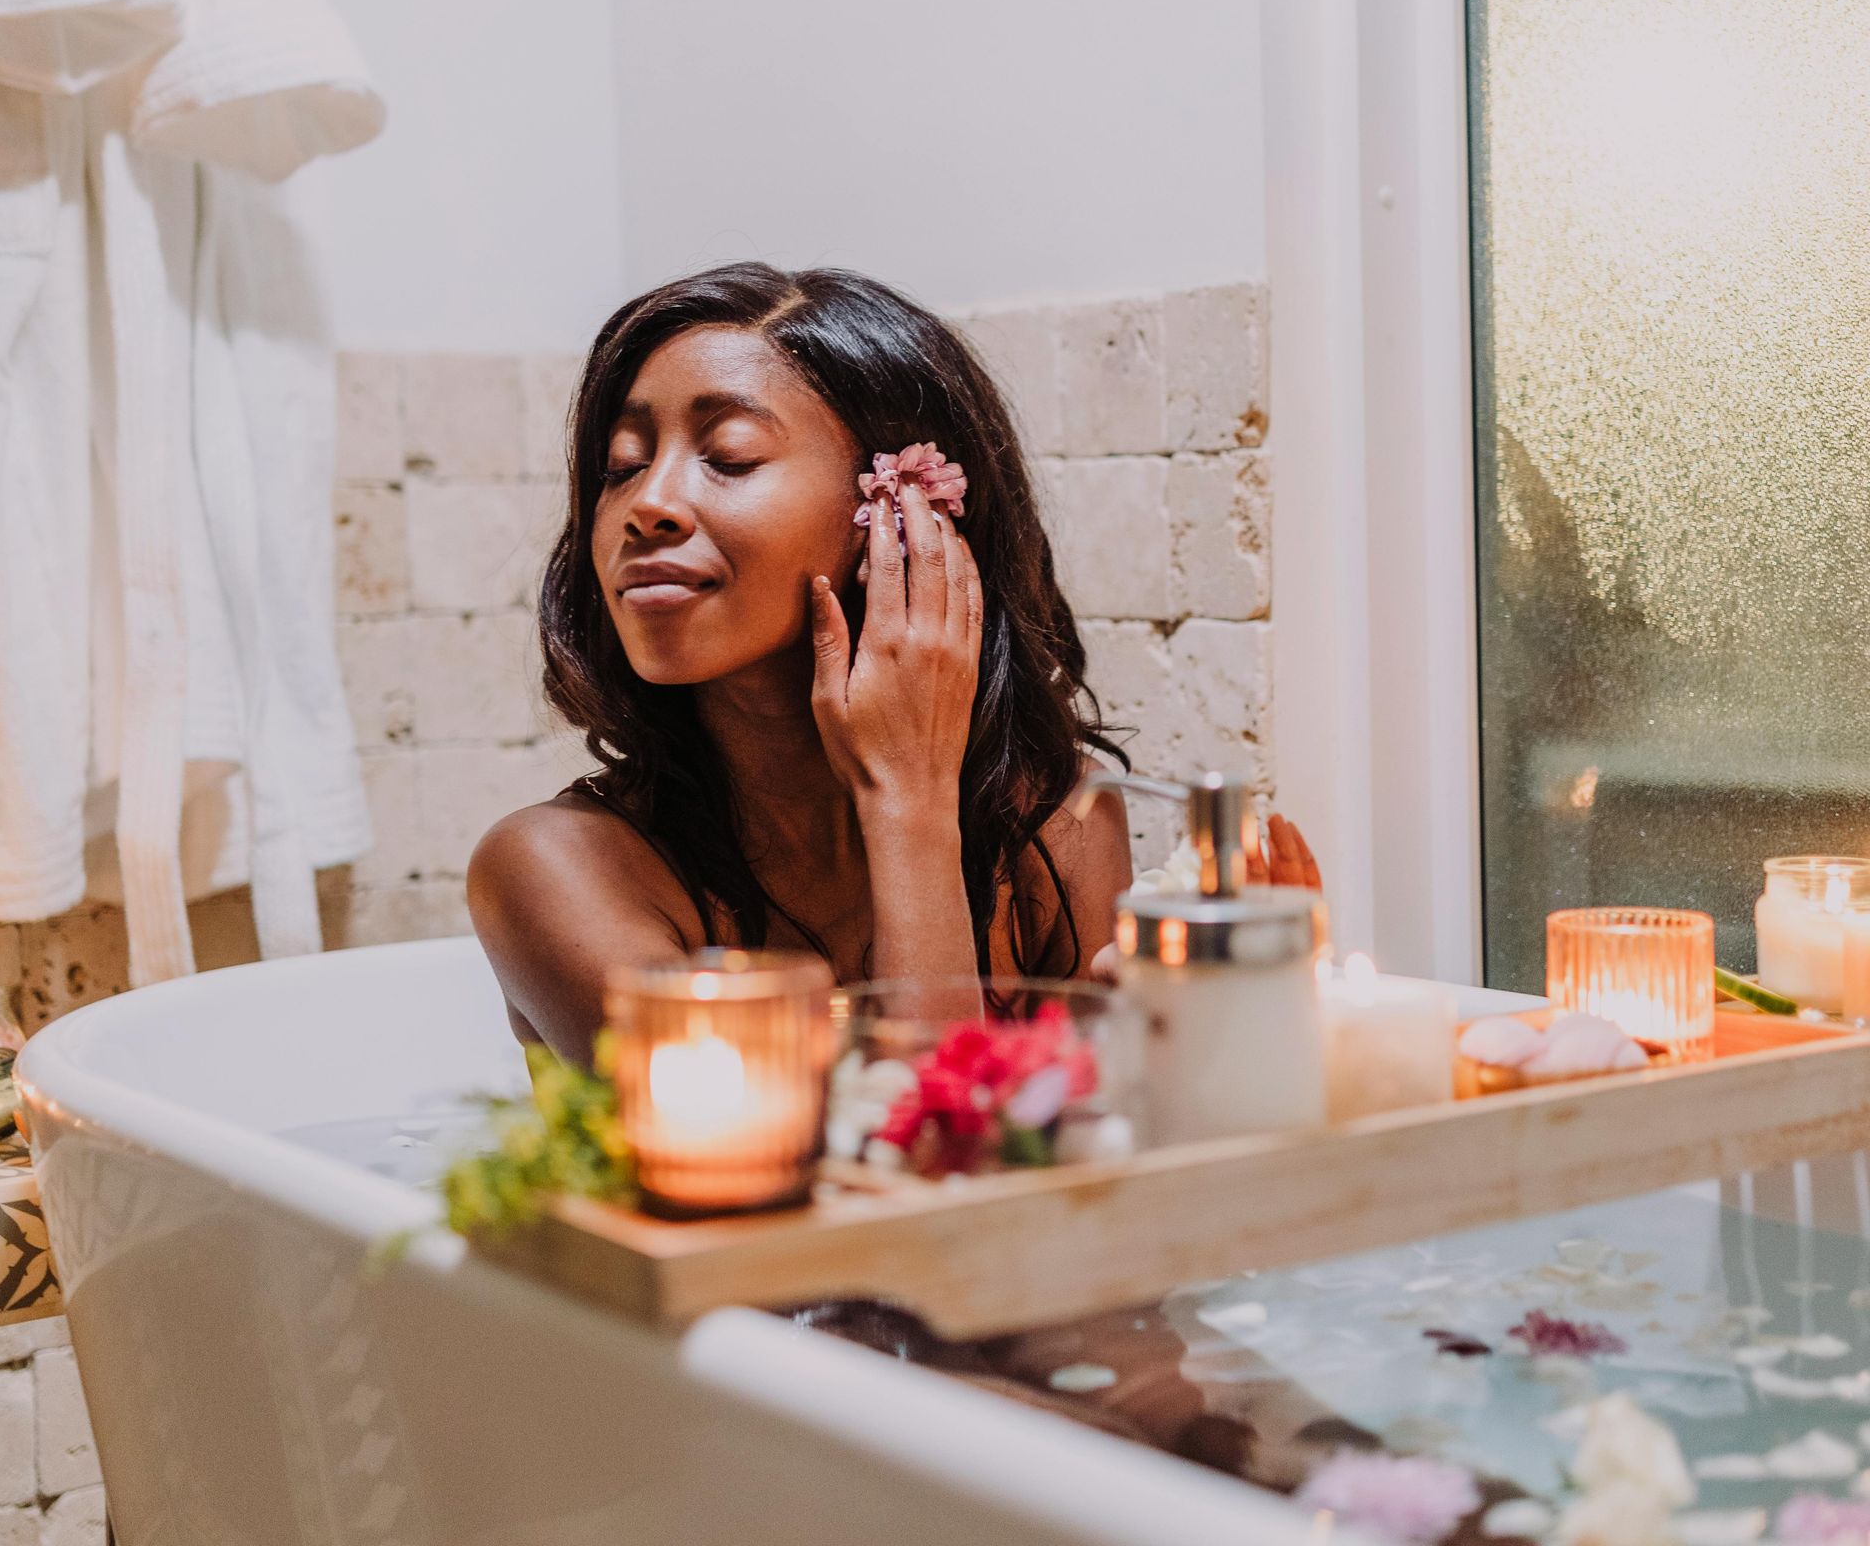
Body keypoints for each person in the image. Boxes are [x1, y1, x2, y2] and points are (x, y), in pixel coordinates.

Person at [469, 263, 1316, 1062]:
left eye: (728, 456)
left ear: (902, 514)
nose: (645, 504)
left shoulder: (1056, 826)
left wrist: (1177, 1045)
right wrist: (906, 794)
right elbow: (898, 1185)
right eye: (621, 466)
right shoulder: (554, 872)